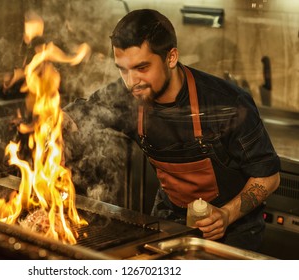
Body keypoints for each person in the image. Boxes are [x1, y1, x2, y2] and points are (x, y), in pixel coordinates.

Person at [63, 9, 280, 252]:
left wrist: (227, 215)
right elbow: (82, 114)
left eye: (142, 67)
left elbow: (268, 176)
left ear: (171, 57)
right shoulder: (128, 97)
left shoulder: (228, 103)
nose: (131, 81)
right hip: (171, 221)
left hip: (233, 230)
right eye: (123, 69)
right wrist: (54, 120)